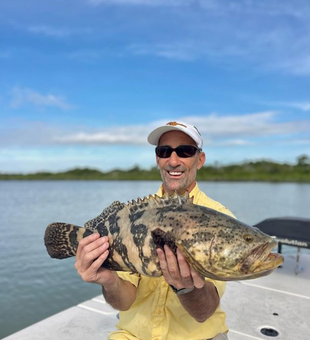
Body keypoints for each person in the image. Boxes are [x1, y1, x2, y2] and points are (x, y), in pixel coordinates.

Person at [75, 121, 235, 340]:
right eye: (164, 151)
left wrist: (186, 288)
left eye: (185, 151)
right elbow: (125, 301)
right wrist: (108, 280)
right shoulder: (137, 215)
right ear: (158, 159)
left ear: (200, 159)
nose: (173, 160)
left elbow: (204, 311)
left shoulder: (220, 218)